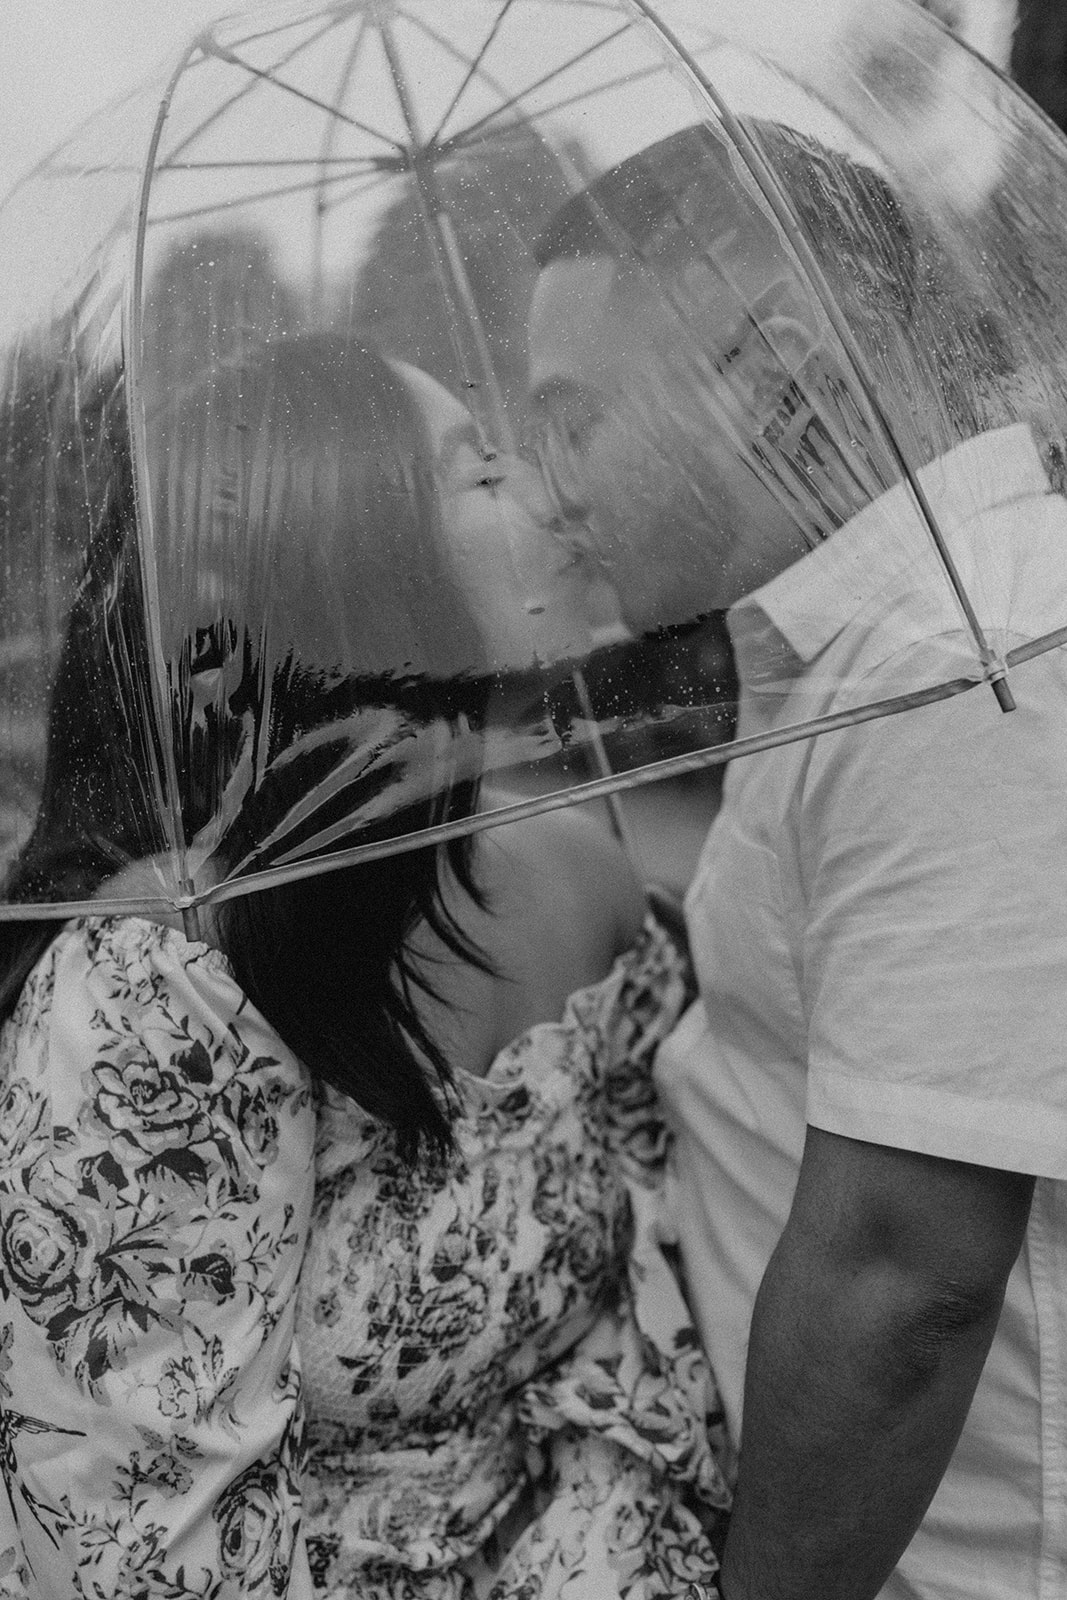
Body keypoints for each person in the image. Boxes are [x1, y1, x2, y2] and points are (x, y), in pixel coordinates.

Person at [0, 334, 731, 1598]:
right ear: (354, 573)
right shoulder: (155, 993)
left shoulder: (581, 858)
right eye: (477, 469)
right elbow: (122, 1547)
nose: (548, 494)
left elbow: (659, 1252)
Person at [527, 121, 1067, 1600]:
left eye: (571, 420)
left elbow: (905, 1277)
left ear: (772, 379)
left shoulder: (966, 657)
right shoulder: (859, 656)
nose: (546, 492)